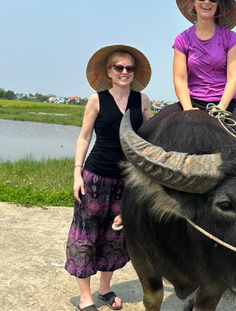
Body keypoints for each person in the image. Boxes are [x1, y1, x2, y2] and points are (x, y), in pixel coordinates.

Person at [65, 44, 152, 311]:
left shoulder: (143, 100)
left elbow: (150, 138)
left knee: (115, 235)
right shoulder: (96, 99)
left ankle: (104, 290)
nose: (124, 72)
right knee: (86, 234)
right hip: (95, 176)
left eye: (129, 68)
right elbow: (84, 137)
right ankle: (85, 297)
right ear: (109, 71)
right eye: (119, 67)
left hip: (127, 180)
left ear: (134, 73)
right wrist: (77, 173)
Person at [138, 0, 236, 152]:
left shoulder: (230, 37)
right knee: (143, 134)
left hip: (227, 103)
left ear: (218, 4)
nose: (207, 1)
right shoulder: (182, 39)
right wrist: (187, 109)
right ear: (193, 2)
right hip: (193, 101)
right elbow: (179, 78)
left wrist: (221, 107)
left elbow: (234, 76)